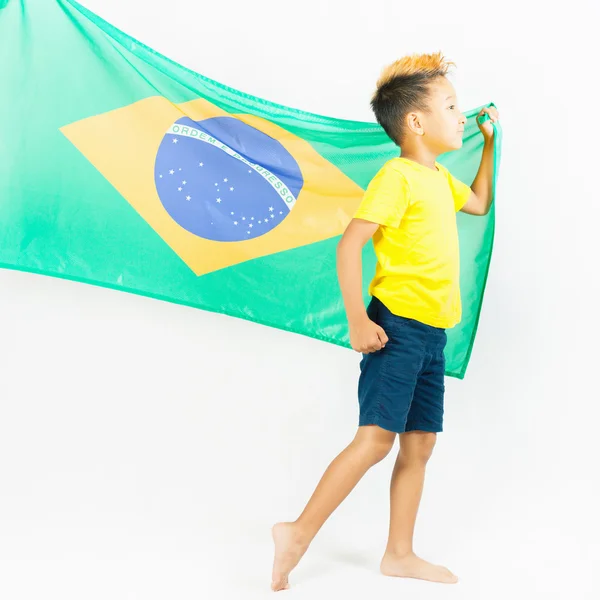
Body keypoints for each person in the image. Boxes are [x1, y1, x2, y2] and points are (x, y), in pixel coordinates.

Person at [270, 51, 499, 592]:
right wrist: (356, 320)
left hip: (431, 334)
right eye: (450, 106)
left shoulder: (439, 178)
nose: (460, 116)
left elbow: (481, 204)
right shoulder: (397, 177)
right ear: (416, 122)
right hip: (395, 327)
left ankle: (399, 553)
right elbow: (350, 247)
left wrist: (488, 145)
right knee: (375, 440)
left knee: (419, 445)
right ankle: (297, 532)